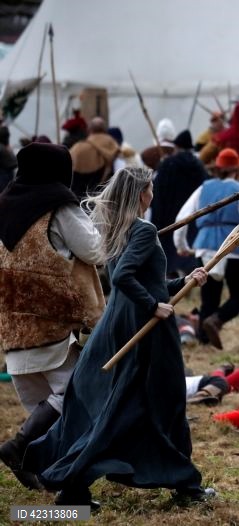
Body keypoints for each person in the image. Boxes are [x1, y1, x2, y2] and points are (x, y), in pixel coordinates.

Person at [23, 166, 214, 509]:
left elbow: (139, 281)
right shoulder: (142, 229)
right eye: (150, 189)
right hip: (145, 333)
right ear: (142, 194)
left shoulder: (117, 230)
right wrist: (154, 305)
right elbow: (125, 277)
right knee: (162, 404)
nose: (153, 195)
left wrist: (183, 283)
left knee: (122, 407)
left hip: (122, 324)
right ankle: (186, 487)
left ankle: (76, 492)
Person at [0, 143, 103, 490]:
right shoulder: (59, 208)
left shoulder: (3, 205)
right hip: (52, 321)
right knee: (78, 393)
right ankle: (20, 447)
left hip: (12, 324)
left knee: (42, 407)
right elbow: (93, 249)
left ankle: (42, 467)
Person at [174, 148, 239, 349]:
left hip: (204, 248)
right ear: (237, 168)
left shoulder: (203, 188)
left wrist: (182, 245)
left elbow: (182, 218)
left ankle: (204, 339)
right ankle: (217, 320)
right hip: (235, 248)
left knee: (209, 298)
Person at [151, 130, 209, 277]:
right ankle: (190, 273)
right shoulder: (199, 166)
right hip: (192, 214)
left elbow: (157, 191)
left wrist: (156, 218)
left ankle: (172, 275)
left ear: (176, 147)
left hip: (168, 215)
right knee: (188, 242)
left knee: (170, 247)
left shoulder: (167, 164)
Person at [69, 117, 120, 198]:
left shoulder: (76, 148)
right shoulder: (112, 144)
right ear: (104, 129)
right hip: (103, 196)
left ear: (89, 130)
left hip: (78, 197)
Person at [0, 125, 17, 191]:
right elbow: (14, 162)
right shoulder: (5, 147)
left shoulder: (2, 147)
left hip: (4, 174)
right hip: (7, 173)